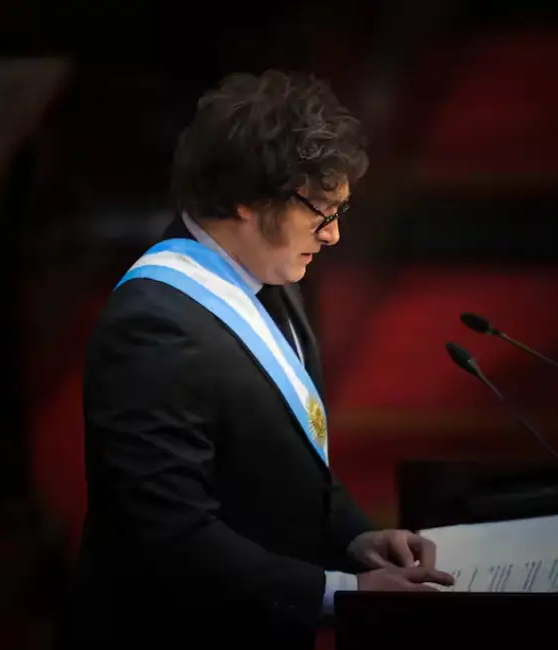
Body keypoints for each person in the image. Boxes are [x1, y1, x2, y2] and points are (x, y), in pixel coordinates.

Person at [70, 70, 453, 649]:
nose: (333, 236)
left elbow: (287, 457)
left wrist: (355, 539)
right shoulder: (152, 331)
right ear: (246, 200)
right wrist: (337, 592)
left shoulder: (271, 272)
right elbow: (172, 535)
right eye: (321, 212)